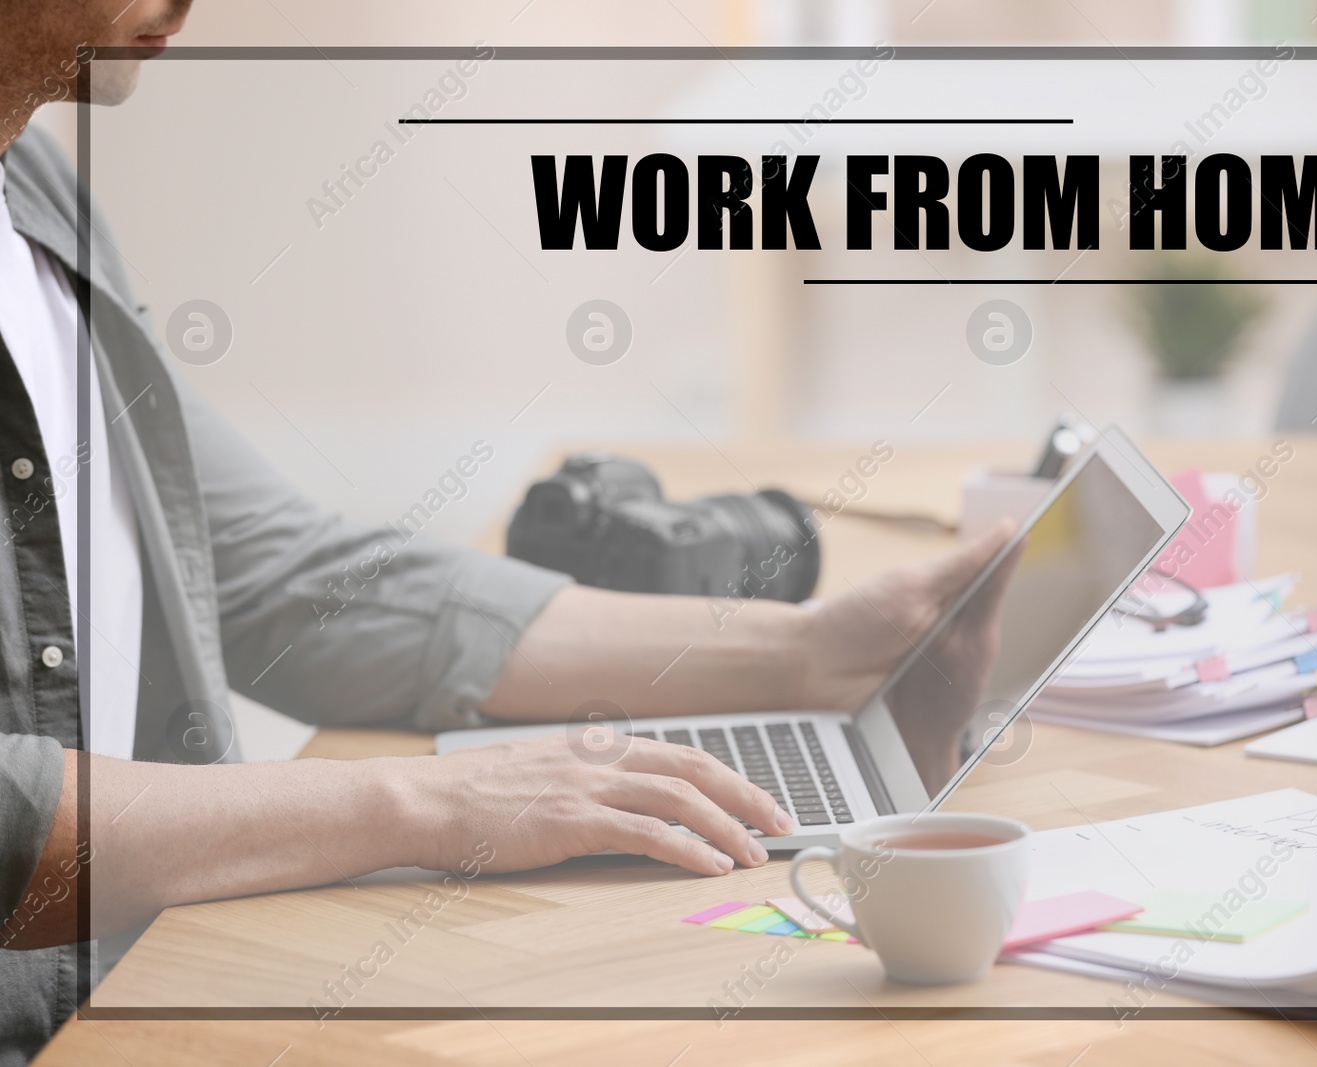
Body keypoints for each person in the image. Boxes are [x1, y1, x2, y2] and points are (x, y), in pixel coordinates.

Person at [0, 3, 1012, 1062]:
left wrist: (807, 656)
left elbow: (278, 575)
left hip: (136, 991)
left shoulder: (38, 192)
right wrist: (425, 800)